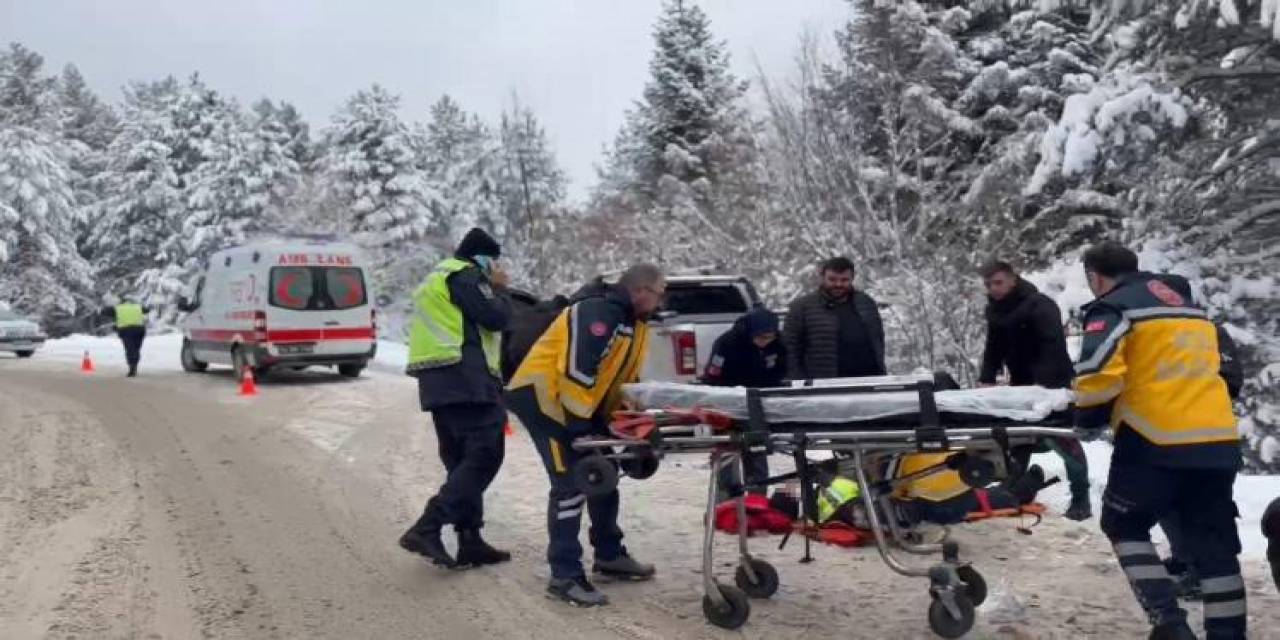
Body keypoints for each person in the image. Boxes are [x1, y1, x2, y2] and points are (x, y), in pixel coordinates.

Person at [1074, 242, 1245, 640]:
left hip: (1154, 438)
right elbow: (1225, 370)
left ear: (1094, 277)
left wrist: (1086, 415)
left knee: (1123, 522)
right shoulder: (1190, 310)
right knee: (1213, 543)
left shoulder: (1114, 306)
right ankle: (1229, 633)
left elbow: (1097, 375)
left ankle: (1169, 623)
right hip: (1217, 440)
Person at [506, 264, 665, 607]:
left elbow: (623, 382)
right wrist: (579, 429)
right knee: (571, 481)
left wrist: (628, 428)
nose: (661, 300)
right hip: (544, 399)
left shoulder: (635, 324)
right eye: (658, 292)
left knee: (602, 469)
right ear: (640, 290)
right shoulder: (598, 310)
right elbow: (576, 369)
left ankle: (609, 555)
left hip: (578, 404)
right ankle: (564, 575)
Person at [399, 228, 513, 570]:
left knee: (462, 461)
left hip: (440, 382)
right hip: (466, 380)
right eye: (494, 261)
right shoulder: (465, 276)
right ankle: (428, 526)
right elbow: (498, 317)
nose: (497, 267)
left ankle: (470, 540)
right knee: (484, 457)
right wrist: (499, 289)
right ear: (483, 258)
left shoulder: (438, 278)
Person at [978, 260, 1093, 521]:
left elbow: (1052, 347)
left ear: (1012, 279)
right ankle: (1013, 487)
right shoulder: (996, 311)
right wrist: (987, 378)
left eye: (997, 282)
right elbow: (993, 348)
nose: (993, 289)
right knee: (1019, 441)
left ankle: (1081, 497)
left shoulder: (1040, 305)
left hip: (1052, 385)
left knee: (1065, 443)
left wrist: (1046, 390)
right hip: (1021, 385)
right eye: (988, 284)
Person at [700, 307, 786, 497]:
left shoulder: (778, 344)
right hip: (727, 404)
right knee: (727, 455)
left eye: (768, 338)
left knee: (756, 453)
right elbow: (713, 376)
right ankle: (725, 502)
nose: (765, 343)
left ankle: (757, 501)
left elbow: (782, 370)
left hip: (758, 406)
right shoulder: (726, 343)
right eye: (761, 338)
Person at [783, 256, 885, 381]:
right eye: (832, 279)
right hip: (824, 386)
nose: (838, 284)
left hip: (867, 382)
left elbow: (877, 340)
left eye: (844, 280)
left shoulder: (866, 303)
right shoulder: (802, 307)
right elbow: (789, 349)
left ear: (852, 279)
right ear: (822, 277)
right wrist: (800, 382)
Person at [100, 295, 148, 377]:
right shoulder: (137, 307)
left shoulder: (118, 308)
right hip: (140, 330)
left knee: (130, 349)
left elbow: (104, 312)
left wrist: (102, 308)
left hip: (127, 331)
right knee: (136, 349)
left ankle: (132, 368)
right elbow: (147, 310)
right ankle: (134, 364)